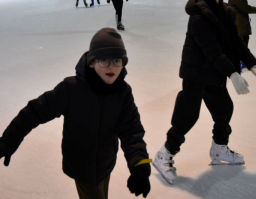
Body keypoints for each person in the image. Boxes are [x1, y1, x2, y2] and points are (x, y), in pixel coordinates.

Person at [0, 28, 151, 199]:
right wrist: (9, 140)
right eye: (104, 60)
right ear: (92, 62)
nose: (111, 67)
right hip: (81, 168)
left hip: (105, 164)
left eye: (117, 60)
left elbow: (132, 130)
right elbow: (35, 111)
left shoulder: (122, 92)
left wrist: (139, 166)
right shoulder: (71, 90)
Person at [153, 0, 256, 185]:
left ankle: (219, 149)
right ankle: (164, 155)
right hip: (196, 72)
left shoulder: (226, 11)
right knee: (187, 116)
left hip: (212, 72)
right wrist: (232, 72)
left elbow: (236, 42)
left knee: (224, 109)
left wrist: (252, 65)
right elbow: (211, 50)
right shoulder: (198, 16)